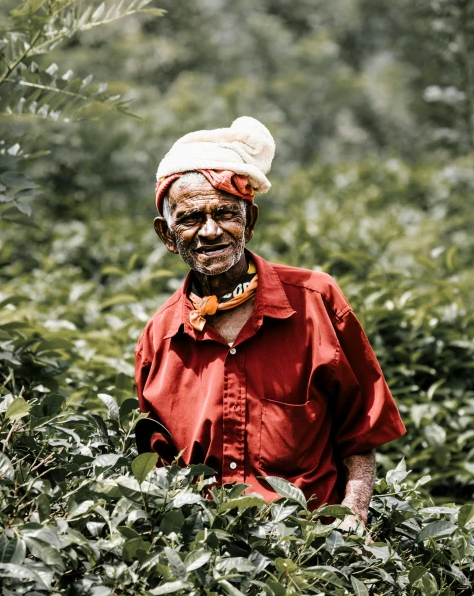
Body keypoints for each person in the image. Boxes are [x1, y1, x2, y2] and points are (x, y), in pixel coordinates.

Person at [135, 116, 406, 529]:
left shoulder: (317, 300)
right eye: (190, 219)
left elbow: (359, 430)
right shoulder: (160, 338)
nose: (210, 231)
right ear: (168, 236)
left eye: (225, 213)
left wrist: (354, 517)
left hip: (309, 546)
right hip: (208, 555)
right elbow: (157, 468)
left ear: (250, 222)